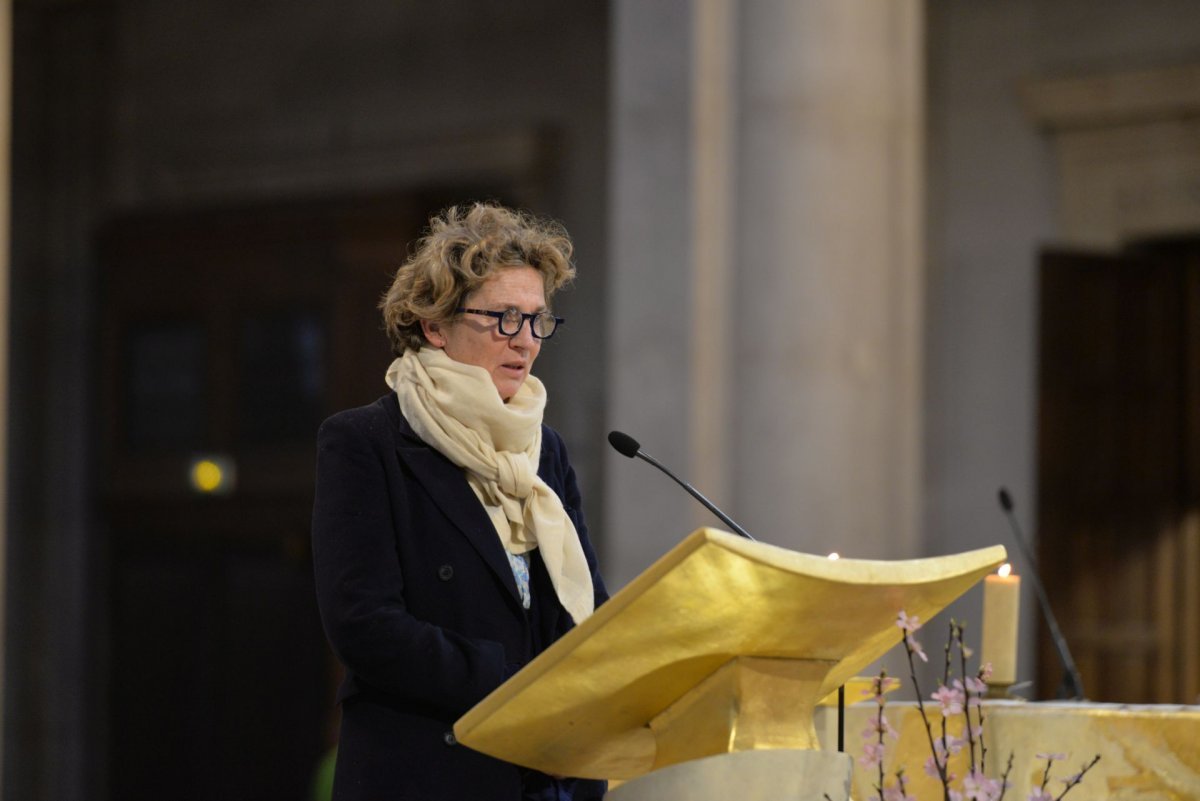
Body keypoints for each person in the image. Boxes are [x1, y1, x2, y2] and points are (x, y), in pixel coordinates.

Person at [311, 202, 608, 801]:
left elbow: (587, 616)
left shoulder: (542, 449)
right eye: (502, 318)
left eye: (536, 320)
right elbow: (364, 625)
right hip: (429, 772)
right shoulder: (368, 442)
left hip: (541, 780)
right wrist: (521, 694)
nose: (524, 342)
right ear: (435, 325)